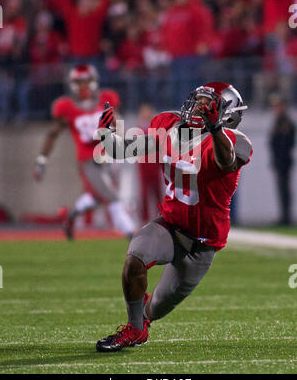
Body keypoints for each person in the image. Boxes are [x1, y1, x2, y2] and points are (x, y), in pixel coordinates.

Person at [95, 81, 252, 351]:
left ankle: (142, 318)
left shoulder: (236, 143)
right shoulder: (170, 126)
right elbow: (123, 150)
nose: (198, 107)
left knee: (154, 308)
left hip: (202, 244)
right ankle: (134, 331)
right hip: (168, 226)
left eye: (208, 104)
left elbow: (224, 161)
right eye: (198, 100)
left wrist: (214, 128)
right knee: (134, 260)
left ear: (225, 113)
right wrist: (107, 137)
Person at [33, 64, 136, 240]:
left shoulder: (107, 98)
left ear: (94, 81)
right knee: (111, 196)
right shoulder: (65, 107)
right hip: (88, 160)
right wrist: (41, 161)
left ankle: (69, 216)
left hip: (109, 156)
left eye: (86, 81)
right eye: (79, 82)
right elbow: (53, 134)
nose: (83, 86)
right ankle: (131, 233)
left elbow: (118, 124)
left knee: (97, 197)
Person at [269, 95, 295, 225]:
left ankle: (286, 217)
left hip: (283, 161)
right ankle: (284, 216)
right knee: (282, 189)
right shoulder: (278, 121)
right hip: (280, 161)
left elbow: (285, 143)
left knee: (284, 190)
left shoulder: (285, 122)